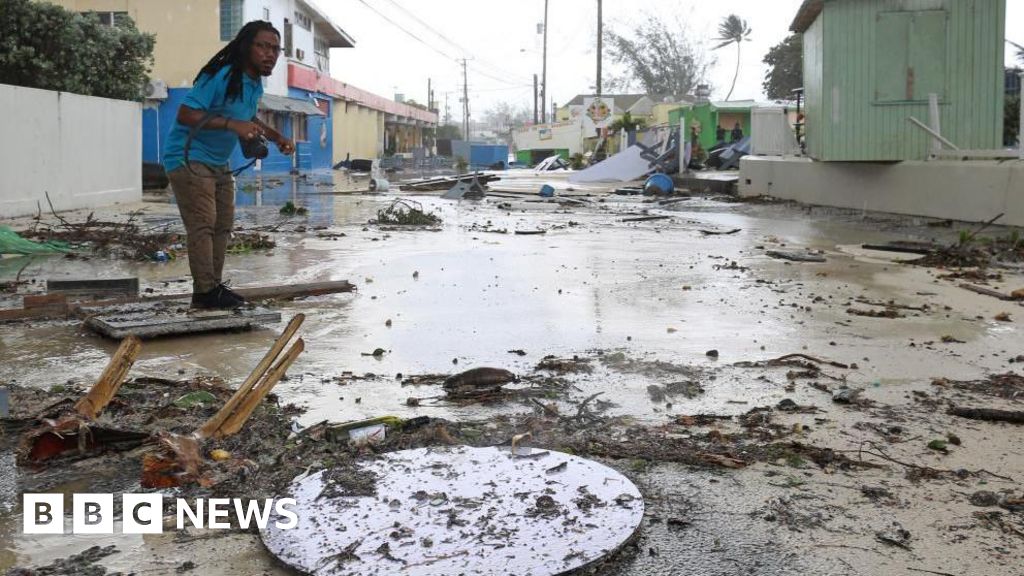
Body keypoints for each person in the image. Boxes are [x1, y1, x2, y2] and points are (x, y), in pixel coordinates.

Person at [162, 21, 295, 309]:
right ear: (247, 46)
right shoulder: (221, 76)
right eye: (263, 46)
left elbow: (248, 117)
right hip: (187, 156)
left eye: (275, 49)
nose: (270, 54)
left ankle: (211, 289)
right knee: (203, 224)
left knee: (223, 225)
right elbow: (186, 113)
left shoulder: (254, 83)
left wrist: (277, 137)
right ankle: (206, 292)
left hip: (218, 161)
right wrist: (231, 124)